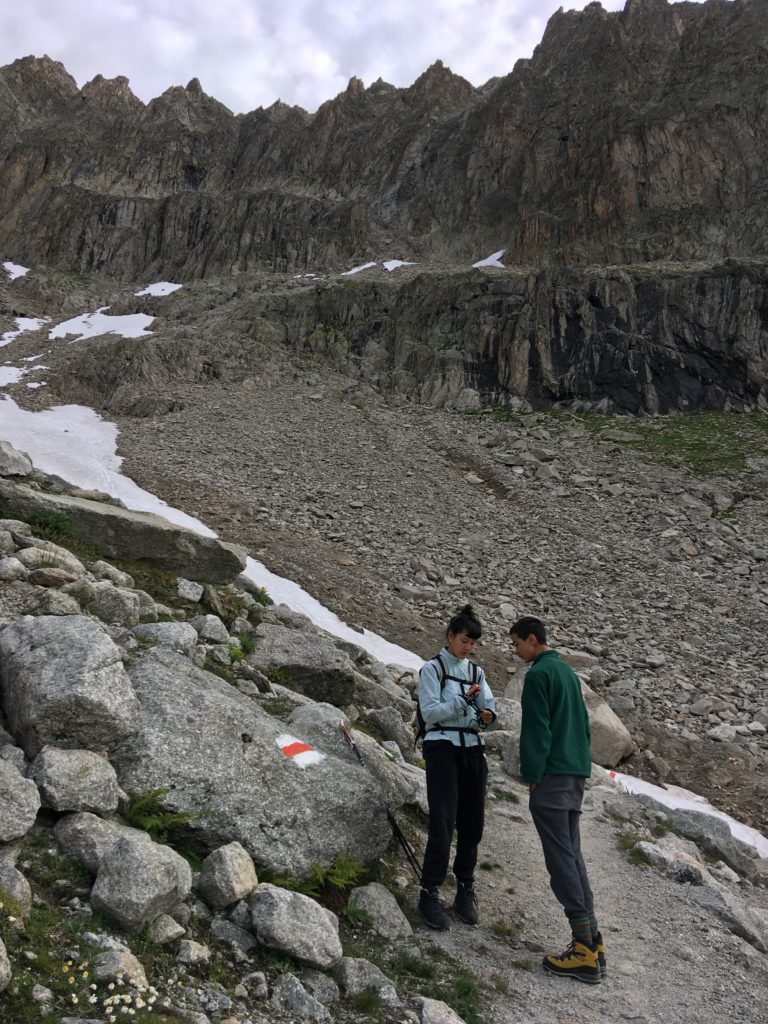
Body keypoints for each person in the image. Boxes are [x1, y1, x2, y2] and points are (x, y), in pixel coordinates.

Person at [509, 615, 605, 985]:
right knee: (573, 854)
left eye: (517, 644)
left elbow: (537, 730)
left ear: (532, 640)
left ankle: (581, 949)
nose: (517, 652)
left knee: (559, 859)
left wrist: (532, 774)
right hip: (575, 772)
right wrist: (581, 765)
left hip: (551, 776)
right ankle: (593, 941)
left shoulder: (538, 675)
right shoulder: (567, 673)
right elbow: (583, 726)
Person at [417, 604, 498, 930]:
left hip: (472, 750)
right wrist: (462, 701)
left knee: (472, 823)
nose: (469, 648)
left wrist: (488, 716)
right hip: (441, 748)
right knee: (442, 821)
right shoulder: (432, 669)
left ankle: (465, 888)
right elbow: (430, 713)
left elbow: (488, 709)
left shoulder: (476, 673)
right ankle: (429, 892)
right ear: (450, 636)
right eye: (465, 640)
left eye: (473, 643)